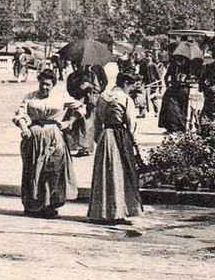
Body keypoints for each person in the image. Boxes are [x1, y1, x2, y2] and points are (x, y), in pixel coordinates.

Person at [13, 69, 83, 218]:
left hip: (54, 136)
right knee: (34, 170)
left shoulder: (60, 97)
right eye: (42, 84)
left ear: (53, 85)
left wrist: (69, 122)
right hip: (34, 137)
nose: (45, 87)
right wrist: (24, 128)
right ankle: (33, 205)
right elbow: (20, 114)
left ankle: (49, 205)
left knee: (52, 169)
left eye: (48, 85)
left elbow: (80, 107)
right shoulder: (30, 97)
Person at [89, 72, 144, 223]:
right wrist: (137, 147)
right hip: (120, 136)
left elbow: (97, 122)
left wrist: (98, 139)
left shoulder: (102, 96)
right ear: (125, 84)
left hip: (104, 136)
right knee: (120, 173)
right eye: (131, 86)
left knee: (105, 172)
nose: (131, 90)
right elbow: (132, 124)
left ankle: (103, 211)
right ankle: (118, 212)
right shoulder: (125, 99)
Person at [158, 54, 192, 133]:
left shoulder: (188, 66)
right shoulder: (172, 66)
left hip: (183, 89)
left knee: (183, 108)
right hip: (174, 89)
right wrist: (168, 85)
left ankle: (182, 127)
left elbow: (191, 79)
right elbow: (166, 77)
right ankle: (171, 127)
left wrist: (185, 79)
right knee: (169, 107)